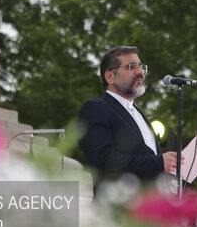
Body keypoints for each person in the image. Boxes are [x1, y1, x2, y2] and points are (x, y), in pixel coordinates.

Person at [77, 46, 179, 184]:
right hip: (118, 202)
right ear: (110, 77)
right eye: (131, 67)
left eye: (141, 67)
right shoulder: (96, 108)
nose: (140, 72)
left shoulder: (138, 114)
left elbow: (149, 162)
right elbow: (103, 160)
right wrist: (159, 163)